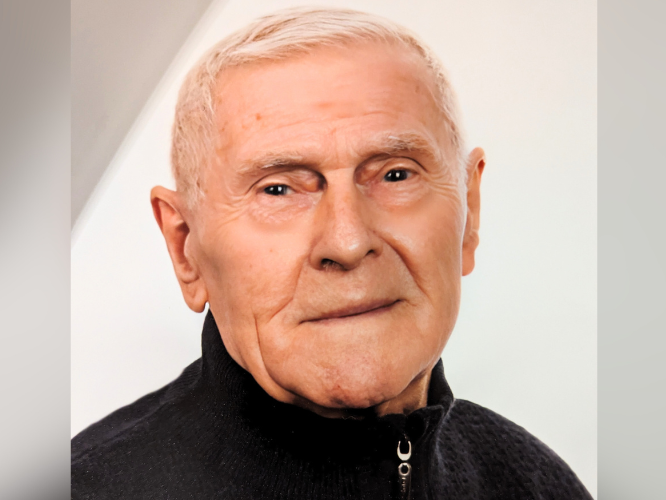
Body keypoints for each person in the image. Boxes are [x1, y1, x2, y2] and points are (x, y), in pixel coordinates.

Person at [71, 7, 592, 499]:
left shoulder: (532, 484)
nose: (347, 242)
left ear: (469, 216)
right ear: (185, 248)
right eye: (278, 189)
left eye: (396, 174)